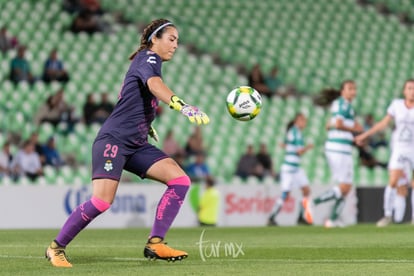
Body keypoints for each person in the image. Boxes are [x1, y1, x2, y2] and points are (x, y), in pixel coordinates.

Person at [45, 19, 209, 268]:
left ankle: (155, 243)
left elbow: (135, 97)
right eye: (172, 39)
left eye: (177, 41)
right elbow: (155, 86)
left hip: (136, 143)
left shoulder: (146, 62)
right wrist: (181, 105)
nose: (176, 45)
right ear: (155, 39)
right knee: (101, 201)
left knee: (180, 181)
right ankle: (56, 248)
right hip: (115, 141)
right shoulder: (149, 58)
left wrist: (146, 122)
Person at [355, 79, 414, 227]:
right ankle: (387, 215)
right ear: (404, 91)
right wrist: (364, 135)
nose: (412, 91)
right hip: (400, 148)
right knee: (393, 181)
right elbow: (383, 123)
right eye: (409, 88)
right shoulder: (397, 105)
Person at [312, 80, 363, 228]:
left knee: (346, 187)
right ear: (342, 91)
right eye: (350, 88)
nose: (353, 91)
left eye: (354, 88)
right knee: (344, 186)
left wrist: (354, 138)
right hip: (338, 148)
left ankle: (332, 220)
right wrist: (355, 128)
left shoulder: (345, 105)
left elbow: (332, 124)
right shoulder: (341, 104)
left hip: (344, 147)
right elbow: (339, 124)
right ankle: (312, 203)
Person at [268, 113, 314, 226]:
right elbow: (299, 151)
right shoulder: (296, 132)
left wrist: (285, 146)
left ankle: (301, 217)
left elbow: (289, 146)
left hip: (296, 168)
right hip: (289, 168)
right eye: (303, 120)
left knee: (306, 190)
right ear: (297, 121)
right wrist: (308, 147)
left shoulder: (294, 132)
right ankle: (271, 217)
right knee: (285, 194)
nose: (305, 123)